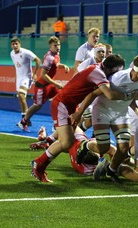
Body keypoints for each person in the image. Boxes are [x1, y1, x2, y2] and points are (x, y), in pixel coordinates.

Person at [30, 54, 130, 183]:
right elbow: (110, 94)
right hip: (62, 104)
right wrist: (128, 95)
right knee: (66, 142)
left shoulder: (97, 69)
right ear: (113, 69)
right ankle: (39, 164)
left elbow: (91, 94)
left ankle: (45, 146)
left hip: (71, 104)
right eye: (119, 70)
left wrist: (79, 111)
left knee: (67, 141)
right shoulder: (98, 73)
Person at [75, 54, 138, 183]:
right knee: (103, 148)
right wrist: (80, 112)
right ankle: (86, 145)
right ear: (137, 71)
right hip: (102, 111)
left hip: (121, 113)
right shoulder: (117, 78)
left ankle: (111, 170)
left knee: (123, 148)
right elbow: (93, 93)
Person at [17, 36, 69, 131]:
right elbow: (44, 75)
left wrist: (63, 66)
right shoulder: (49, 57)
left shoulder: (57, 54)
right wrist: (56, 84)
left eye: (59, 45)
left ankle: (57, 125)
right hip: (42, 86)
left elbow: (56, 65)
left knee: (62, 99)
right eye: (55, 45)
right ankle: (23, 121)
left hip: (50, 85)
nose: (58, 47)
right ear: (50, 46)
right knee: (38, 105)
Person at [30, 127, 115, 176]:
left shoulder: (90, 146)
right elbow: (113, 152)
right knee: (63, 138)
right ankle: (47, 142)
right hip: (74, 152)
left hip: (75, 144)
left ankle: (48, 140)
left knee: (67, 127)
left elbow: (112, 150)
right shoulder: (87, 170)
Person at [10, 37, 41, 125]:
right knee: (20, 98)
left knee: (21, 95)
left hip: (27, 77)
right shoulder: (12, 53)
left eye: (16, 43)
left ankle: (27, 119)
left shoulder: (26, 52)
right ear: (11, 45)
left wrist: (35, 74)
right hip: (19, 78)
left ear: (20, 44)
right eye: (13, 44)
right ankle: (24, 118)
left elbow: (38, 60)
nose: (15, 45)